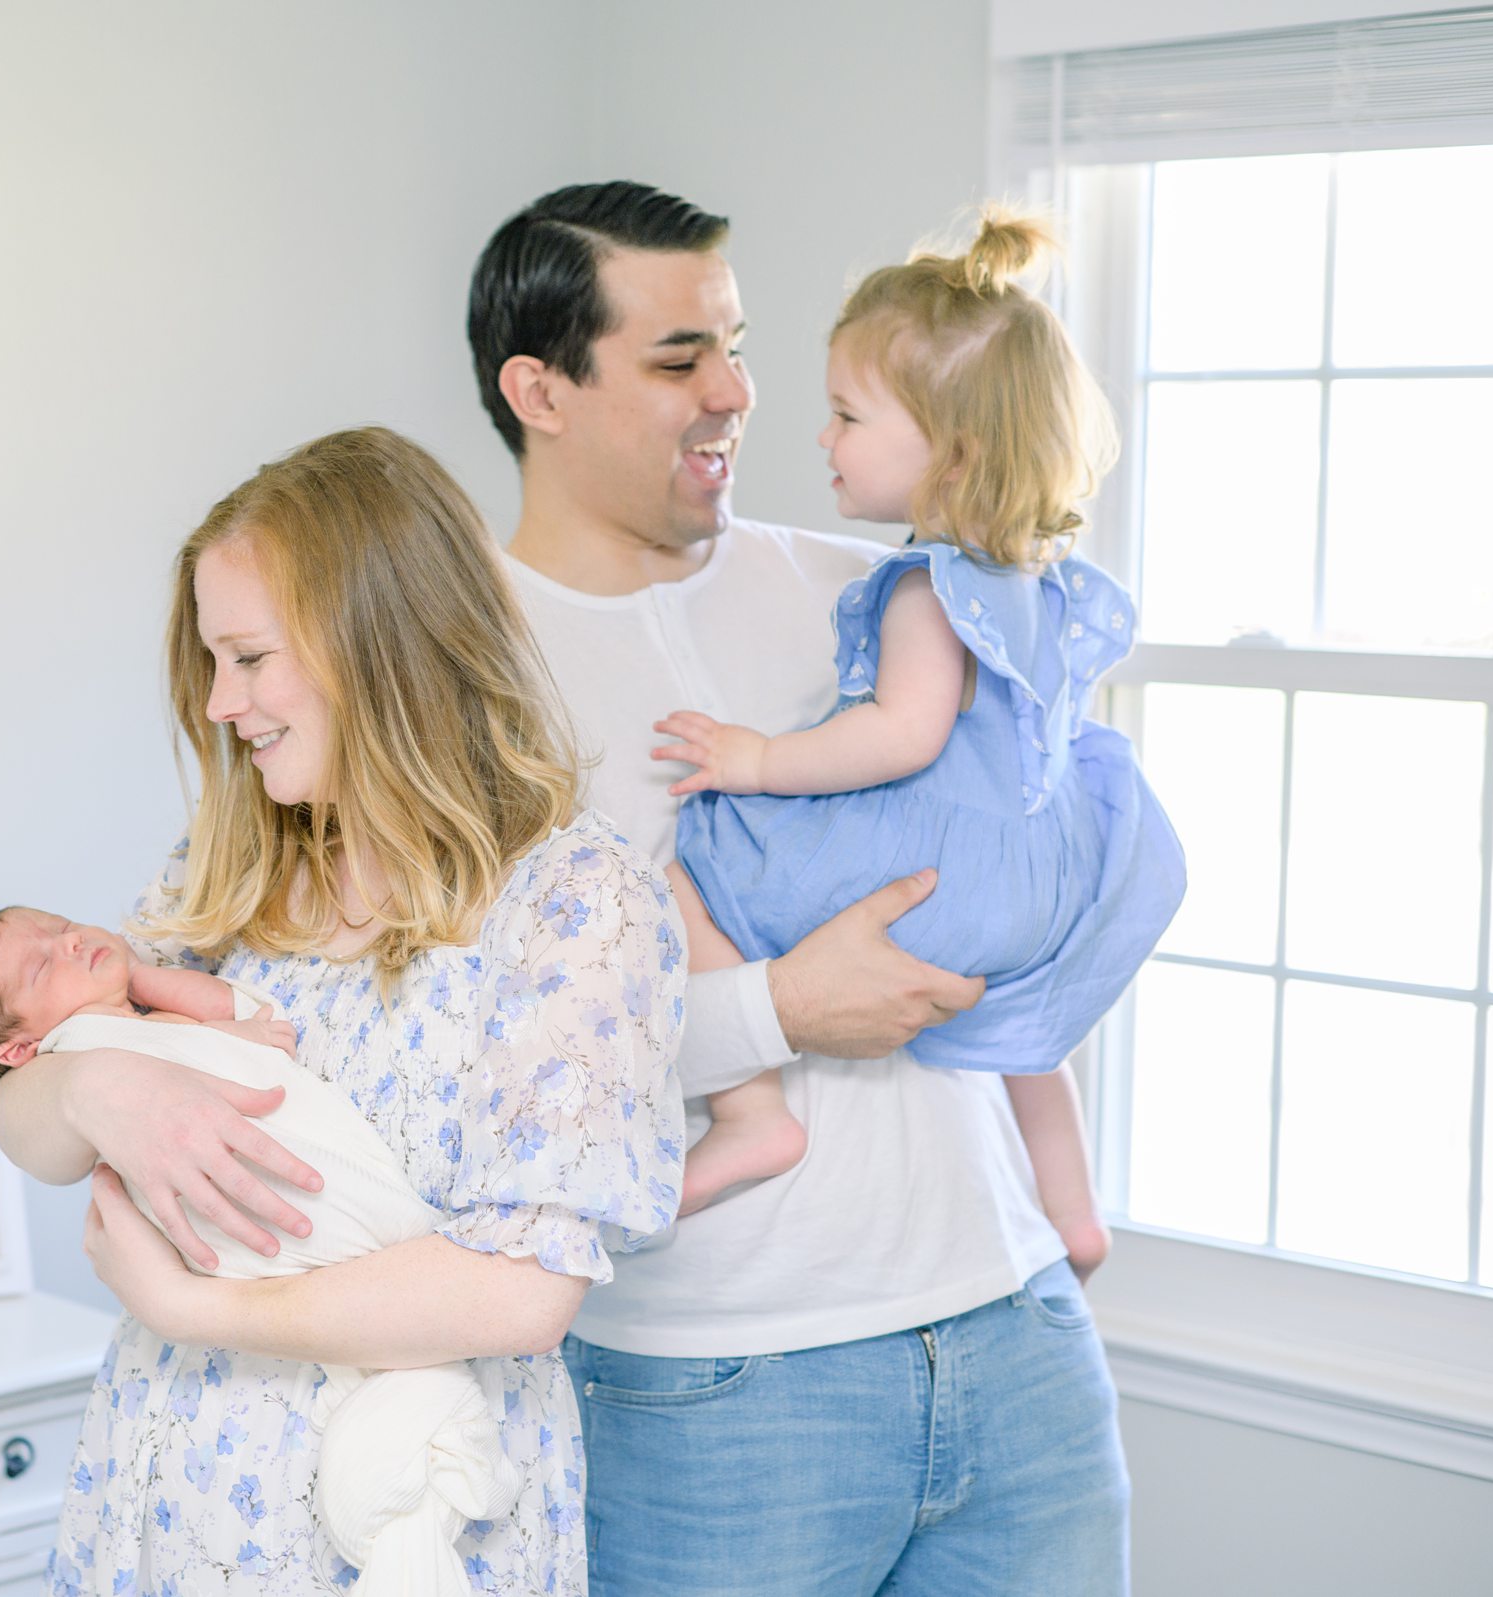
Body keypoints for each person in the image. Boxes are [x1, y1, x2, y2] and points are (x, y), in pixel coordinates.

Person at [471, 181, 1131, 1594]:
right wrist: (777, 1010)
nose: (736, 392)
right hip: (722, 1393)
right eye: (677, 360)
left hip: (1015, 1332)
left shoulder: (893, 586)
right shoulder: (454, 673)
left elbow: (1040, 849)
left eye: (737, 342)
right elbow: (473, 1064)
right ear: (540, 389)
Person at [0, 426, 685, 1596]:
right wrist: (95, 1082)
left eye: (250, 658)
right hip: (167, 1491)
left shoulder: (573, 902)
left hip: (398, 1523)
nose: (221, 703)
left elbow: (520, 1292)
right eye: (213, 662)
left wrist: (192, 1305)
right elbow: (30, 1126)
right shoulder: (232, 875)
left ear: (380, 644)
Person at [658, 207, 1185, 1223]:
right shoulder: (1035, 575)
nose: (823, 435)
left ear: (951, 451)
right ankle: (1072, 1202)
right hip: (1041, 873)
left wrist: (756, 759)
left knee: (694, 872)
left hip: (942, 872)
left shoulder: (924, 587)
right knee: (1019, 1015)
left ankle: (750, 1115)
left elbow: (906, 733)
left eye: (849, 417)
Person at [0, 903, 525, 1594]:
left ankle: (416, 1468)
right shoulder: (79, 1047)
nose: (71, 942)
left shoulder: (153, 1019)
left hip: (323, 1206)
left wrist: (143, 976)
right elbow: (29, 1124)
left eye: (62, 926)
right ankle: (416, 1476)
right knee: (364, 1344)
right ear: (18, 1050)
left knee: (382, 1340)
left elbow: (238, 1013)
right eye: (41, 962)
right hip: (247, 1253)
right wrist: (102, 1067)